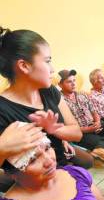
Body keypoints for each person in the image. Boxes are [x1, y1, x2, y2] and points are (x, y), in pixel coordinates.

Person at [0, 27, 82, 167]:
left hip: (62, 170)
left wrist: (55, 130)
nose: (52, 69)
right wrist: (2, 148)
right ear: (24, 66)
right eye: (47, 61)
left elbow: (77, 133)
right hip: (36, 184)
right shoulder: (3, 109)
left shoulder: (49, 91)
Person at [59, 69, 104, 162]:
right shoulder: (60, 102)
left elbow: (94, 111)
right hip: (81, 133)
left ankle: (102, 148)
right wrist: (89, 129)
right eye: (69, 82)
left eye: (74, 80)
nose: (74, 84)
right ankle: (103, 147)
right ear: (60, 85)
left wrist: (98, 122)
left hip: (94, 125)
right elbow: (67, 128)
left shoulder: (82, 94)